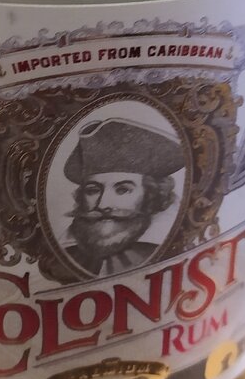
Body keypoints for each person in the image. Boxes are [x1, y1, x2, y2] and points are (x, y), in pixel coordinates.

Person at [63, 116, 186, 278]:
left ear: (150, 195)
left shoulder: (167, 244)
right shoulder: (66, 252)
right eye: (93, 190)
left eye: (122, 190)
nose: (103, 205)